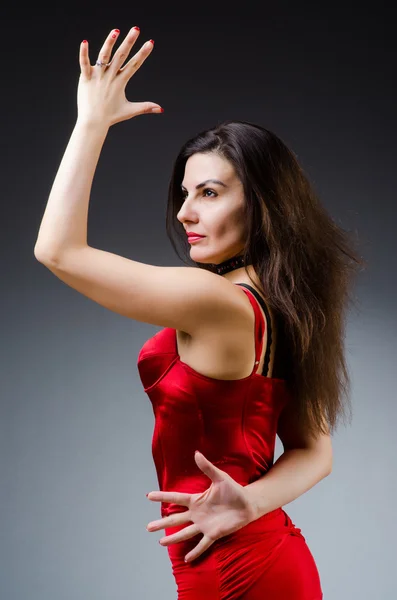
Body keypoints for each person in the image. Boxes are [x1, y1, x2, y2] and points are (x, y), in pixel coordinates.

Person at [34, 25, 365, 599]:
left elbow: (57, 251)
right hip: (261, 556)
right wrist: (250, 503)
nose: (186, 212)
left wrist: (91, 122)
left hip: (235, 573)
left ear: (262, 205)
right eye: (184, 194)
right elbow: (317, 452)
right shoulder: (281, 304)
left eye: (209, 193)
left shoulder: (216, 302)